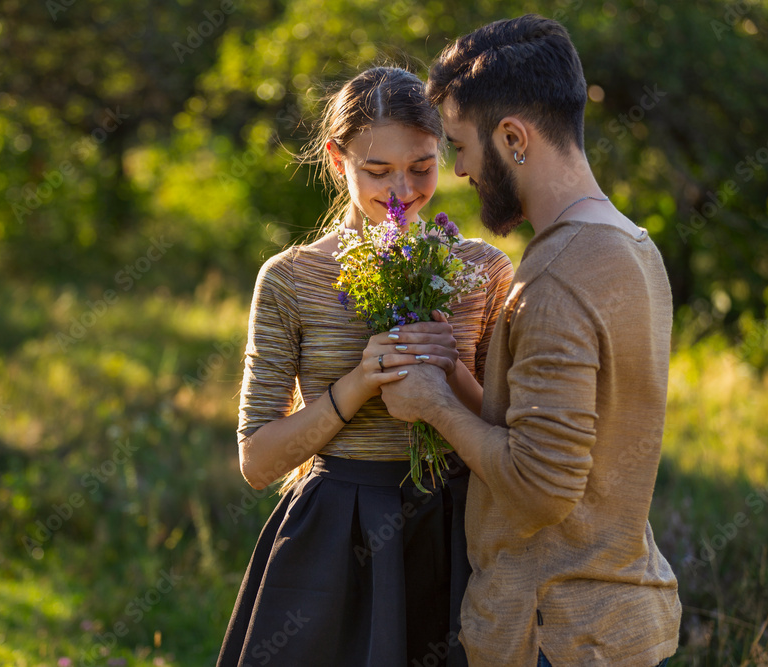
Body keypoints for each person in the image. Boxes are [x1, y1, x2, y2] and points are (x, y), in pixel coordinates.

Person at [379, 15, 682, 667]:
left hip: (556, 632)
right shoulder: (631, 244)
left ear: (513, 137)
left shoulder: (557, 277)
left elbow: (542, 484)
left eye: (460, 145)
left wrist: (433, 404)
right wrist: (460, 373)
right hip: (619, 618)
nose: (457, 169)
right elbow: (575, 434)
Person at [217, 66, 513, 666]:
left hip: (454, 530)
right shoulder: (291, 278)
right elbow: (257, 462)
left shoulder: (483, 270)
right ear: (336, 159)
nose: (401, 190)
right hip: (336, 535)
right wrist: (356, 384)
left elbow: (509, 433)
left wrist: (447, 366)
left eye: (422, 167)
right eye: (377, 171)